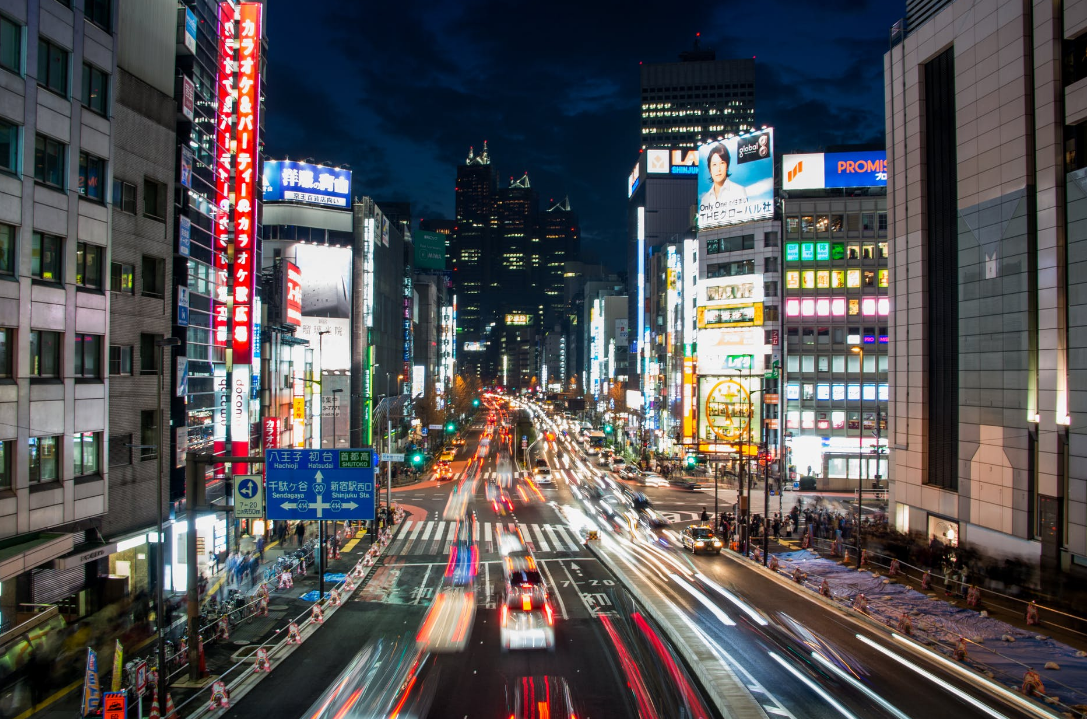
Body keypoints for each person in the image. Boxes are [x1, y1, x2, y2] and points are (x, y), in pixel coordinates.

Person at [700, 143, 748, 216]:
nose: (718, 169)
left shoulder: (739, 191)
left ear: (727, 166)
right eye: (714, 165)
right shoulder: (705, 199)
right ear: (710, 169)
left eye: (722, 163)